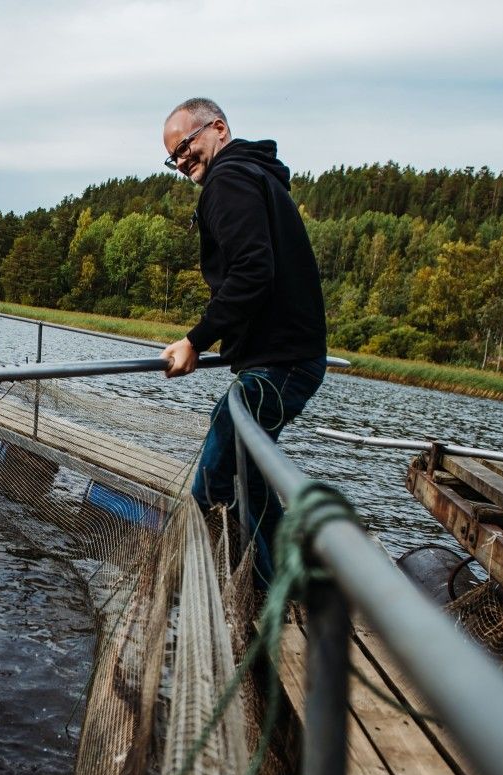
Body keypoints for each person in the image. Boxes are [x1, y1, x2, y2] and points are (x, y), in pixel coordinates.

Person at [158, 97, 327, 584]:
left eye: (186, 146)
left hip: (280, 364)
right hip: (284, 360)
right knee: (246, 477)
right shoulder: (253, 176)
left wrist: (196, 339)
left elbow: (254, 271)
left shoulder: (228, 180)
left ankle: (247, 592)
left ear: (218, 129)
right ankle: (284, 586)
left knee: (213, 480)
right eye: (174, 157)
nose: (183, 161)